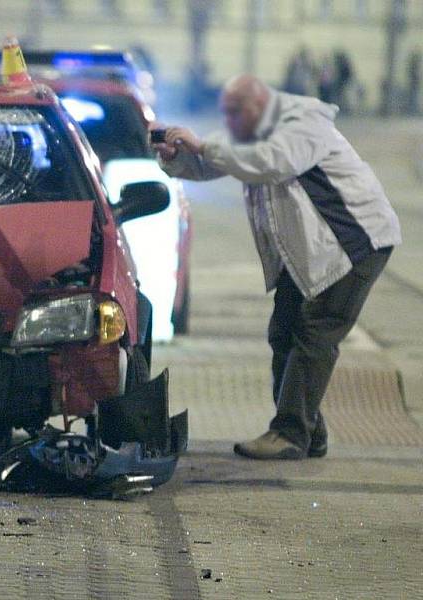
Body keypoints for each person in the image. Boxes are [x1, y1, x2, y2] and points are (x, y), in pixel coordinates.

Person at [152, 74, 402, 460]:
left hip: (354, 245)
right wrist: (180, 158)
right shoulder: (253, 130)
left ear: (259, 106)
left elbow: (270, 164)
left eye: (235, 113)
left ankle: (290, 433)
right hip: (309, 251)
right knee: (283, 332)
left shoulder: (303, 125)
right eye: (226, 114)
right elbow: (218, 163)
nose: (229, 122)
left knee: (314, 334)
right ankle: (308, 429)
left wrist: (204, 144)